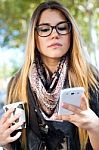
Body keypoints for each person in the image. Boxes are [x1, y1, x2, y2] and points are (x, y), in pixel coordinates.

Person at [0, 1, 99, 150]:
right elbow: (15, 145)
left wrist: (95, 126)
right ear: (34, 37)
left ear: (71, 34)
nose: (54, 34)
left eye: (62, 28)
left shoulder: (92, 78)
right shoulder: (17, 84)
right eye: (45, 29)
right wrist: (4, 141)